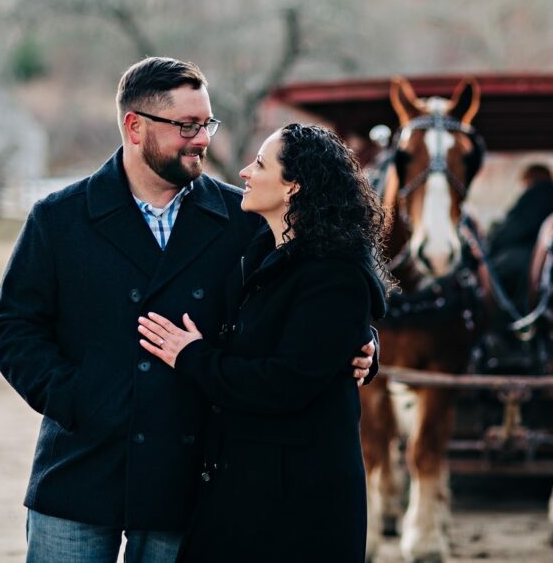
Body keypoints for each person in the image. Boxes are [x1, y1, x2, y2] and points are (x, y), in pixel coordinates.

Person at [0, 58, 376, 563]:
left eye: (206, 124)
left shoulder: (243, 220)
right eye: (187, 126)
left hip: (189, 476)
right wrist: (76, 398)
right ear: (135, 127)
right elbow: (12, 327)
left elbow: (307, 298)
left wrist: (361, 341)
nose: (202, 140)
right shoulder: (58, 219)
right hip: (81, 468)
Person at [137, 124, 390, 563]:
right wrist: (359, 340)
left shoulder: (335, 272)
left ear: (293, 186)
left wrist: (191, 356)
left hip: (298, 506)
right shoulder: (261, 249)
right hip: (245, 487)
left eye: (259, 164)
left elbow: (285, 382)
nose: (245, 172)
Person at [487, 163, 553, 313]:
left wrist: (493, 239)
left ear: (529, 180)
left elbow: (514, 229)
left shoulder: (538, 194)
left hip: (528, 255)